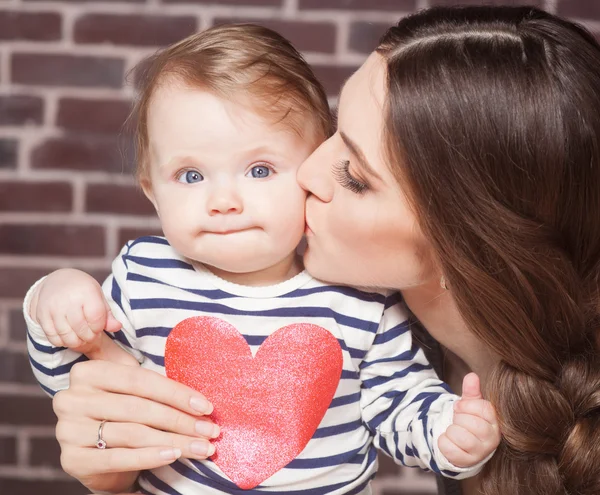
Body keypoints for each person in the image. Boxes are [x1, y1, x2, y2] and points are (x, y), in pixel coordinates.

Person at [23, 23, 499, 495]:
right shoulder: (146, 275)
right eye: (190, 176)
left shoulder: (363, 299)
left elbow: (397, 402)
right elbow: (83, 387)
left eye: (259, 169)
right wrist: (56, 307)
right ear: (152, 191)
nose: (223, 200)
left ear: (311, 171)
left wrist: (447, 433)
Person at [297, 5, 600, 495]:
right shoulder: (380, 348)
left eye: (354, 177)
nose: (305, 172)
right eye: (334, 131)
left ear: (468, 247)